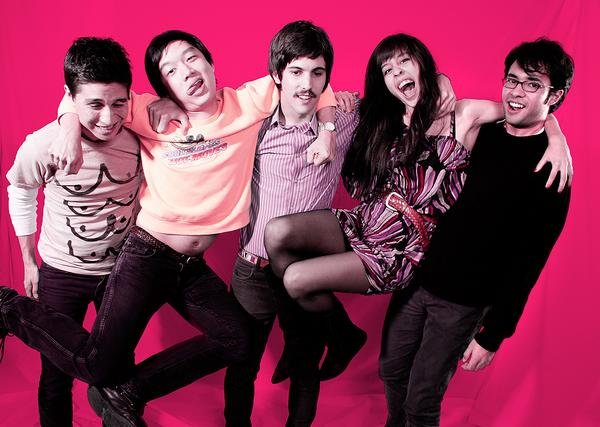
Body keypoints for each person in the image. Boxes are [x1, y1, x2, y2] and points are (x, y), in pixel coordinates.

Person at [0, 29, 337, 427]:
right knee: (99, 364)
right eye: (171, 71)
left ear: (210, 62)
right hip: (146, 254)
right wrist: (70, 127)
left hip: (190, 266)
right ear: (164, 87)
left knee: (239, 338)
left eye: (192, 58)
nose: (187, 72)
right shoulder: (148, 113)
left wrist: (328, 130)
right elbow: (85, 93)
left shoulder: (247, 102)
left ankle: (129, 392)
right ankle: (7, 307)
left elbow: (305, 78)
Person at [263, 34, 571, 381]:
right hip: (367, 221)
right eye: (387, 70)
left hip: (401, 248)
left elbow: (526, 109)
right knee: (277, 232)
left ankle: (340, 337)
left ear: (422, 63)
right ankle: (316, 337)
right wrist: (330, 123)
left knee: (296, 279)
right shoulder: (382, 116)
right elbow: (320, 93)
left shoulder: (464, 114)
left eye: (404, 62)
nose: (397, 73)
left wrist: (557, 137)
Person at [378, 38, 574, 427]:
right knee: (391, 370)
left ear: (555, 95)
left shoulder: (552, 170)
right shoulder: (484, 131)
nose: (516, 92)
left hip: (464, 302)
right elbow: (439, 100)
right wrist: (555, 128)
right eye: (512, 80)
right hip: (417, 278)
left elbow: (529, 261)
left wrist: (493, 335)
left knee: (421, 401)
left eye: (531, 84)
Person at [222, 21, 358, 427]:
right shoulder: (254, 126)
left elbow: (407, 101)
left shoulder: (344, 120)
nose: (307, 84)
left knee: (305, 369)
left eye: (318, 73)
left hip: (305, 273)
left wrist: (442, 83)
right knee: (241, 365)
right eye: (296, 71)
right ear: (277, 75)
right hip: (254, 270)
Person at [5, 37, 141, 427]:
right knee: (55, 375)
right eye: (94, 105)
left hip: (119, 272)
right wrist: (29, 261)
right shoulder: (44, 145)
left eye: (118, 103)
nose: (108, 118)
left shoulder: (141, 134)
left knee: (120, 372)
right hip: (61, 272)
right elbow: (21, 190)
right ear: (70, 97)